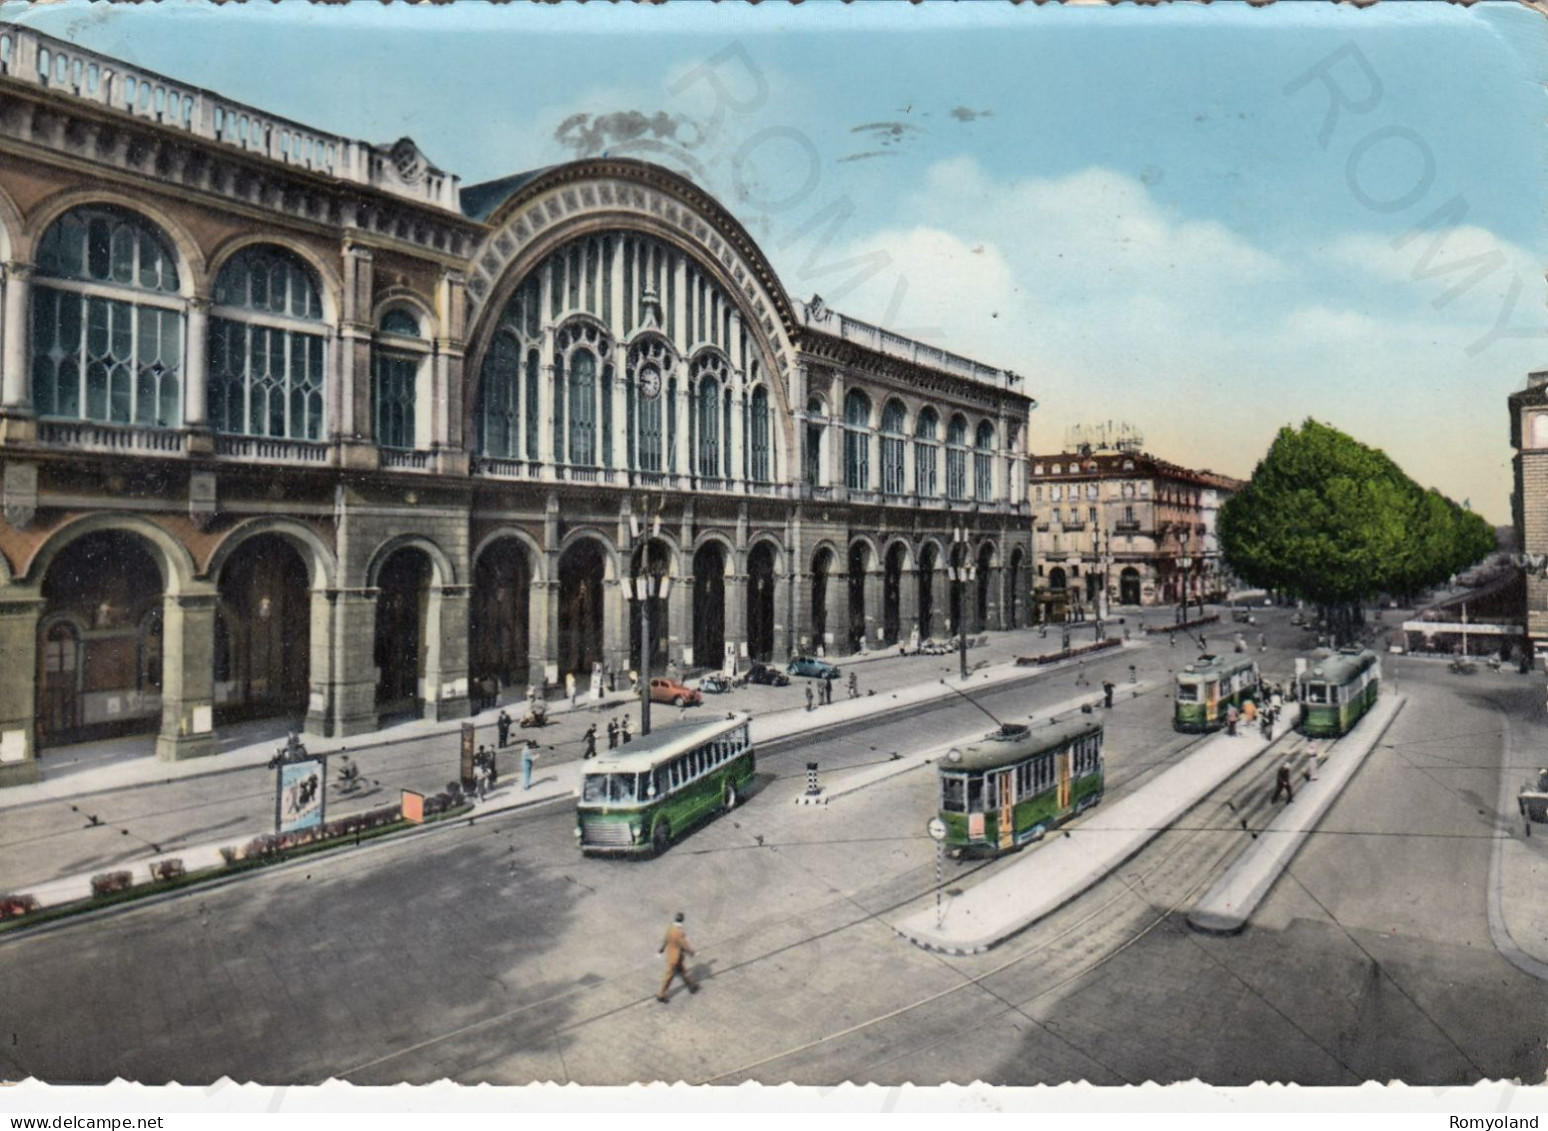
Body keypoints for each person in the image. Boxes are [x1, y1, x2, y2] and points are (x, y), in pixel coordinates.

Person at [657, 911, 699, 1003]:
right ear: (683, 920)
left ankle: (692, 985)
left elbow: (665, 939)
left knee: (683, 971)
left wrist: (661, 950)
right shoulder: (679, 932)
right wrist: (693, 953)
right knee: (669, 976)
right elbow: (684, 945)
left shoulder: (670, 927)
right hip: (675, 957)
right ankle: (661, 994)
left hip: (673, 955)